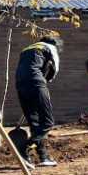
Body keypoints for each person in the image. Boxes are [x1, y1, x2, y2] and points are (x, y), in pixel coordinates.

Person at [15, 36, 63, 166]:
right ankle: (23, 147)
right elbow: (55, 68)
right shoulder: (49, 47)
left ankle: (43, 157)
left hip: (20, 84)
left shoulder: (26, 50)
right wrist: (46, 81)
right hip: (36, 83)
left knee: (35, 123)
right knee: (47, 122)